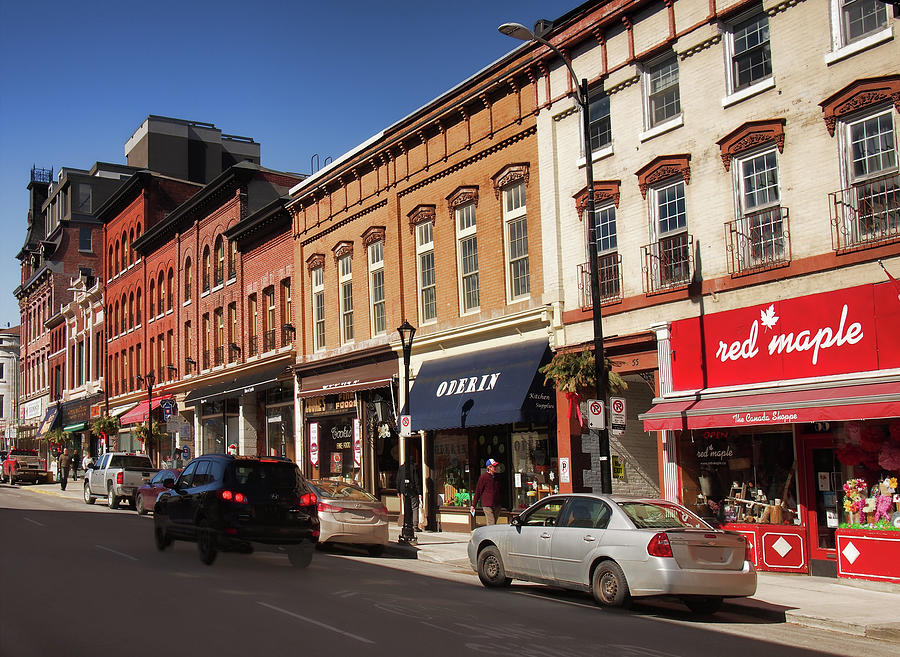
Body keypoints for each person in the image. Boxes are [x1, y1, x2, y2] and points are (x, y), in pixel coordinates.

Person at [396, 450, 422, 543]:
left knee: (406, 507)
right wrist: (419, 492)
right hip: (412, 490)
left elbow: (398, 479)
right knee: (415, 507)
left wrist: (398, 490)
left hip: (404, 490)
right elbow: (416, 480)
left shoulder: (401, 468)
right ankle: (414, 526)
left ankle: (407, 524)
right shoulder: (413, 468)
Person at [471, 458, 503, 525]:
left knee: (494, 522)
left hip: (497, 504)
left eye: (496, 466)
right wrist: (474, 505)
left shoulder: (497, 477)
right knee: (491, 523)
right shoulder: (483, 477)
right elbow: (478, 491)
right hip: (487, 504)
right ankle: (490, 535)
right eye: (493, 466)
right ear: (489, 467)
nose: (495, 468)